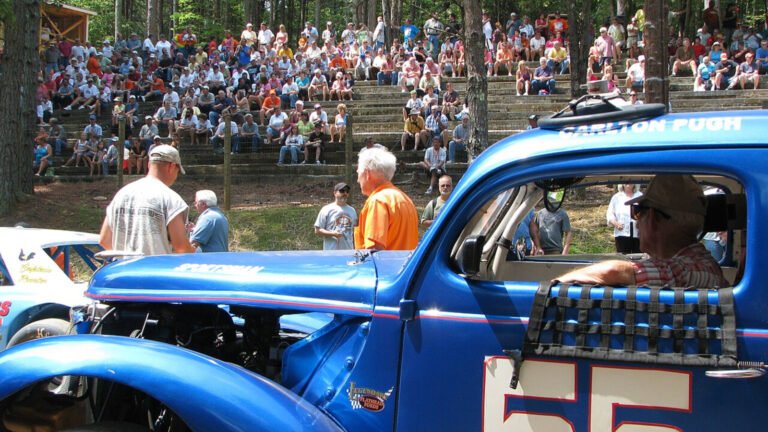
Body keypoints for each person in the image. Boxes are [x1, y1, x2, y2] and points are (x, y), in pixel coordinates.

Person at [557, 175, 729, 288]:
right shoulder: (701, 262)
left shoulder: (693, 269)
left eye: (638, 212)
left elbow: (615, 271)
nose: (636, 221)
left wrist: (552, 286)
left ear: (653, 218)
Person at [99, 144, 195, 255]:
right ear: (172, 167)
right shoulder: (172, 199)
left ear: (149, 164)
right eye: (177, 171)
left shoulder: (121, 194)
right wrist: (192, 249)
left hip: (123, 265)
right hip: (155, 265)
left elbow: (104, 240)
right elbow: (182, 248)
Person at [355, 147, 419, 250]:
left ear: (367, 174)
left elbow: (374, 251)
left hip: (387, 261)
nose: (358, 180)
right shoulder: (405, 199)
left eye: (358, 173)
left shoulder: (378, 202)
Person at [314, 182, 358, 250]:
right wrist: (333, 234)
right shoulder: (326, 209)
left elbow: (355, 232)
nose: (345, 193)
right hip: (331, 252)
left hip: (348, 252)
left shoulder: (352, 210)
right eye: (342, 191)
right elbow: (317, 230)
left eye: (347, 191)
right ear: (335, 193)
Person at [606, 184, 642, 253]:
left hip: (638, 234)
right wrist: (615, 223)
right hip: (621, 233)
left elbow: (646, 213)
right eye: (626, 181)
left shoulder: (640, 196)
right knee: (622, 257)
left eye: (631, 181)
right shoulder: (616, 197)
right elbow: (610, 214)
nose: (628, 183)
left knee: (638, 257)